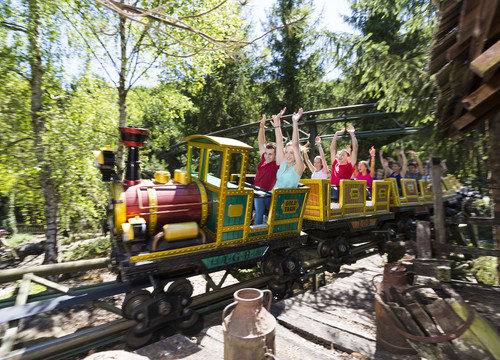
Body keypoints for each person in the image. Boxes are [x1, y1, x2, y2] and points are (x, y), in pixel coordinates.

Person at [253, 114, 280, 225]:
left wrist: (276, 126)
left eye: (270, 154)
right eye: (267, 153)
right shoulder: (263, 159)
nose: (267, 156)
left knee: (259, 210)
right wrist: (262, 126)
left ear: (275, 155)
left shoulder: (276, 164)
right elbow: (261, 142)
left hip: (265, 195)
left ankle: (257, 231)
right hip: (255, 191)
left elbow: (279, 143)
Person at [272, 107, 305, 188]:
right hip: (273, 196)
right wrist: (276, 125)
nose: (288, 155)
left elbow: (295, 145)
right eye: (286, 152)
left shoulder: (298, 167)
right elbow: (279, 142)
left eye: (291, 153)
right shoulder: (283, 162)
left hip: (286, 199)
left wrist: (295, 122)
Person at [330, 126, 358, 201]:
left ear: (348, 158)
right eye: (339, 154)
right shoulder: (335, 163)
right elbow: (332, 149)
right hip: (332, 192)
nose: (340, 156)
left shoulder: (349, 166)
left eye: (343, 155)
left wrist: (352, 134)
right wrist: (336, 134)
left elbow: (355, 150)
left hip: (343, 193)